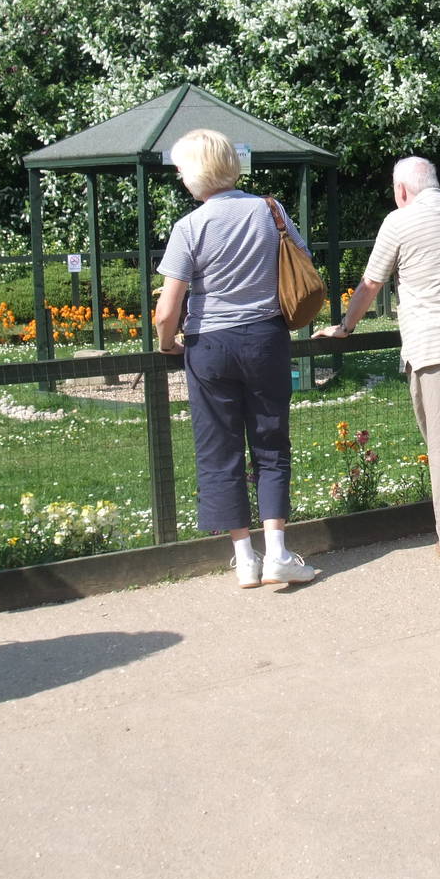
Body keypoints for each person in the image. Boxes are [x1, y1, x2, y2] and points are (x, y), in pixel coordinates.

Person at [153, 128, 320, 589]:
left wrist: (168, 342)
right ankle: (280, 554)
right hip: (266, 339)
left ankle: (244, 559)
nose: (181, 176)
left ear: (196, 173)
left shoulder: (189, 226)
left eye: (182, 168)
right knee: (271, 444)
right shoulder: (271, 210)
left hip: (209, 347)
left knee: (218, 448)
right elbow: (300, 259)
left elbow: (168, 308)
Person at [318, 156, 440, 564]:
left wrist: (344, 327)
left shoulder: (398, 222)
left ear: (401, 190)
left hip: (435, 348)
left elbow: (369, 285)